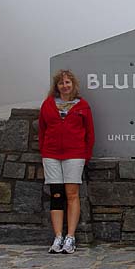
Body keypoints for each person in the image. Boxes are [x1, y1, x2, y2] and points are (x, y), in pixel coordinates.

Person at [38, 69, 95, 254]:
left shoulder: (83, 106)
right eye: (61, 83)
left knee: (72, 194)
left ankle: (70, 237)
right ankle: (58, 236)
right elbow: (42, 130)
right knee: (56, 195)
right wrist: (44, 151)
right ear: (57, 86)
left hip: (75, 154)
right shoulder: (47, 104)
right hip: (51, 154)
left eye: (68, 82)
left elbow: (89, 133)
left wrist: (86, 155)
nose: (65, 86)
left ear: (73, 85)